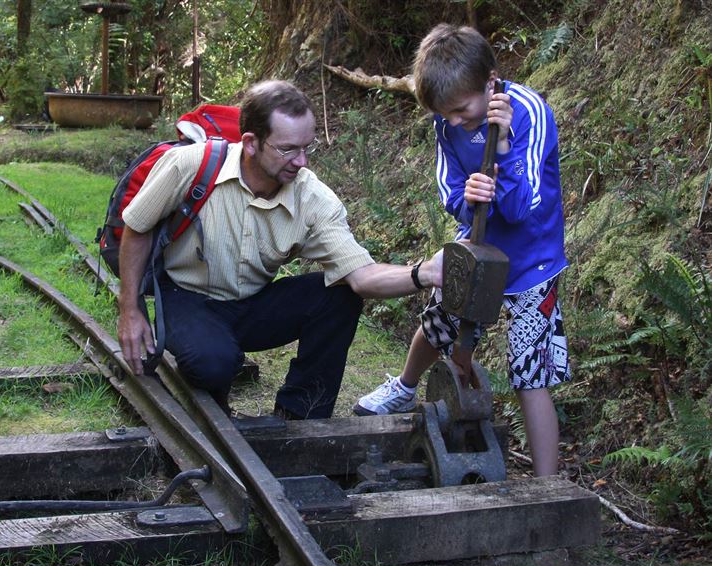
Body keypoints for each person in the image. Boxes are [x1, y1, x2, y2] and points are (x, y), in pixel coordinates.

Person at [118, 80, 444, 420]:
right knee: (215, 363)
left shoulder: (312, 198)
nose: (300, 161)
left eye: (307, 147)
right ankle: (212, 381)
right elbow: (138, 228)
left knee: (340, 295)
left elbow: (362, 277)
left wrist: (424, 273)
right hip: (186, 296)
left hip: (252, 303)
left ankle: (300, 417)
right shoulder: (189, 165)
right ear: (251, 144)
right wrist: (130, 309)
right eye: (287, 149)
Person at [352, 24, 571, 477]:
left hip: (533, 262)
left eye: (461, 109)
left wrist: (504, 146)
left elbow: (522, 209)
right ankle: (406, 386)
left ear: (490, 81)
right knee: (441, 323)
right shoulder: (446, 121)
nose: (452, 120)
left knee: (530, 375)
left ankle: (548, 485)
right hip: (475, 246)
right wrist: (468, 199)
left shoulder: (530, 112)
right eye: (443, 113)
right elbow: (448, 189)